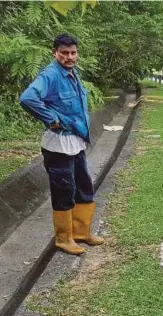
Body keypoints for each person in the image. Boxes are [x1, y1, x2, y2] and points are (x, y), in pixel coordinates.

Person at [19, 34, 104, 255]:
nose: (69, 57)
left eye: (73, 52)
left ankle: (82, 232)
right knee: (64, 190)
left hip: (75, 142)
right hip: (58, 146)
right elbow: (28, 98)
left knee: (84, 186)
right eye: (64, 53)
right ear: (54, 52)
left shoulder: (72, 73)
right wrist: (51, 119)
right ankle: (64, 238)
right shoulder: (50, 75)